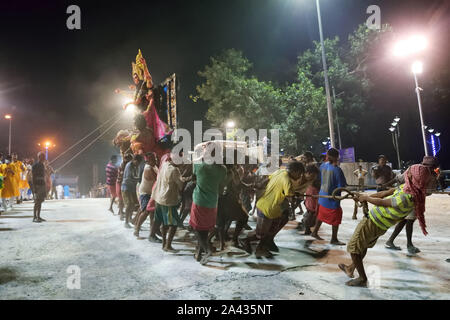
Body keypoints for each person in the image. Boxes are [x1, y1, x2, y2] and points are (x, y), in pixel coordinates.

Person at [338, 162, 436, 287]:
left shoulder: (407, 196)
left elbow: (382, 202)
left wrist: (366, 199)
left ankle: (362, 278)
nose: (407, 173)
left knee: (354, 248)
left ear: (414, 177)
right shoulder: (408, 188)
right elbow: (383, 194)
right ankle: (351, 268)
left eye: (409, 172)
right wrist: (363, 196)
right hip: (379, 225)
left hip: (373, 222)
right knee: (362, 245)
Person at [242, 161, 305, 258]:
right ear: (295, 171)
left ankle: (261, 246)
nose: (299, 177)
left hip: (267, 206)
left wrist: (259, 186)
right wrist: (296, 197)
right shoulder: (287, 179)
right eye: (300, 174)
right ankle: (254, 246)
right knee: (262, 233)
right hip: (268, 208)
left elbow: (266, 180)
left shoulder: (279, 172)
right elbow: (290, 197)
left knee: (269, 230)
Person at [385, 156, 439, 255]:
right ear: (432, 166)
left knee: (404, 220)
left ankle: (390, 241)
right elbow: (430, 191)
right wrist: (437, 178)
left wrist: (385, 185)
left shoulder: (412, 168)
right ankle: (409, 245)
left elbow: (399, 179)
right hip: (414, 199)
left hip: (404, 196)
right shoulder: (429, 173)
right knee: (409, 221)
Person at [189, 147, 227, 265]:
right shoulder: (222, 169)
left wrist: (202, 155)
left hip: (200, 201)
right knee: (204, 229)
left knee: (196, 228)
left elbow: (194, 173)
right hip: (212, 202)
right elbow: (222, 186)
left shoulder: (199, 165)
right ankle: (199, 253)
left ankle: (207, 250)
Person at [311, 148, 347, 245]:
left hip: (322, 197)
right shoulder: (337, 170)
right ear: (337, 157)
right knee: (336, 217)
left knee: (321, 215)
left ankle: (314, 232)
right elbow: (341, 187)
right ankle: (334, 239)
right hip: (332, 200)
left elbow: (319, 180)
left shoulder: (322, 166)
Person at [151, 153, 184, 252]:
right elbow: (181, 185)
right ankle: (168, 245)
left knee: (164, 223)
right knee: (173, 225)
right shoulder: (174, 170)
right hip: (168, 200)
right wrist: (186, 179)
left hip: (158, 197)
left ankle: (164, 244)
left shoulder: (165, 164)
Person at [134, 152, 158, 238]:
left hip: (151, 192)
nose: (155, 161)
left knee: (152, 212)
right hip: (145, 193)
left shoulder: (153, 167)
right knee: (146, 211)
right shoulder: (148, 168)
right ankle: (137, 228)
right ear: (148, 160)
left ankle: (152, 232)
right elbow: (157, 178)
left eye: (155, 159)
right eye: (153, 159)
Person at [121, 154, 143, 228]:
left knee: (133, 204)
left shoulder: (135, 166)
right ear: (134, 160)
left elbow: (135, 176)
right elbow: (128, 178)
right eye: (137, 162)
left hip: (132, 188)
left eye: (139, 163)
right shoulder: (129, 165)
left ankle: (130, 219)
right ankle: (126, 222)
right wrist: (138, 179)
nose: (138, 164)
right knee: (129, 204)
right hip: (126, 187)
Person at [299, 164, 321, 235]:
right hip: (311, 196)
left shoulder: (311, 179)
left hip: (312, 196)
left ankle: (307, 228)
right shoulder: (305, 178)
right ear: (309, 173)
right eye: (314, 175)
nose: (315, 177)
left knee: (311, 213)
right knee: (311, 212)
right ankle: (307, 228)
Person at [32, 152, 47, 223]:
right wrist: (34, 187)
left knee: (40, 201)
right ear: (39, 157)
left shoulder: (42, 165)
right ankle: (34, 217)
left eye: (44, 157)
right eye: (42, 156)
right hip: (37, 185)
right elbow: (33, 177)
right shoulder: (35, 165)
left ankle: (38, 216)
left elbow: (44, 175)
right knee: (37, 202)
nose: (44, 158)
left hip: (42, 184)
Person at [117, 153, 133, 219]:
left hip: (125, 183)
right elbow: (121, 176)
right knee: (121, 199)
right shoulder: (122, 165)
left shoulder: (128, 165)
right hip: (120, 183)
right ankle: (121, 213)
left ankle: (126, 214)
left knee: (126, 201)